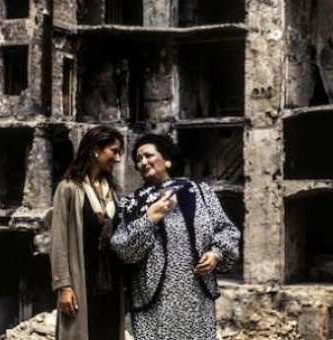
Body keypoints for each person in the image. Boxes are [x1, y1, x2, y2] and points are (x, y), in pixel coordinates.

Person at [111, 133, 240, 340]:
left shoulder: (201, 192)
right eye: (138, 159)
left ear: (167, 159)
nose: (143, 162)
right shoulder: (131, 204)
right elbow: (123, 249)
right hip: (153, 303)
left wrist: (216, 254)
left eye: (148, 156)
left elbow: (227, 231)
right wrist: (150, 218)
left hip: (196, 297)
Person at [50, 125, 126, 340]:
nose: (118, 158)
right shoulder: (68, 189)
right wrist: (63, 285)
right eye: (114, 150)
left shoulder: (114, 193)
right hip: (83, 282)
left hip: (111, 285)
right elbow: (58, 241)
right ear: (95, 150)